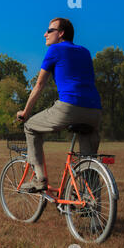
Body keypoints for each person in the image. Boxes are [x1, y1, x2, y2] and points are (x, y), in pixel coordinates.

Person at [16, 18, 102, 193]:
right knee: (88, 161)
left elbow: (39, 85)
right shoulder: (85, 51)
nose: (45, 34)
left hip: (69, 107)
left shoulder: (55, 49)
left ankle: (39, 179)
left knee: (30, 126)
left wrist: (25, 112)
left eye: (49, 30)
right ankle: (93, 209)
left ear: (61, 33)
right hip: (95, 111)